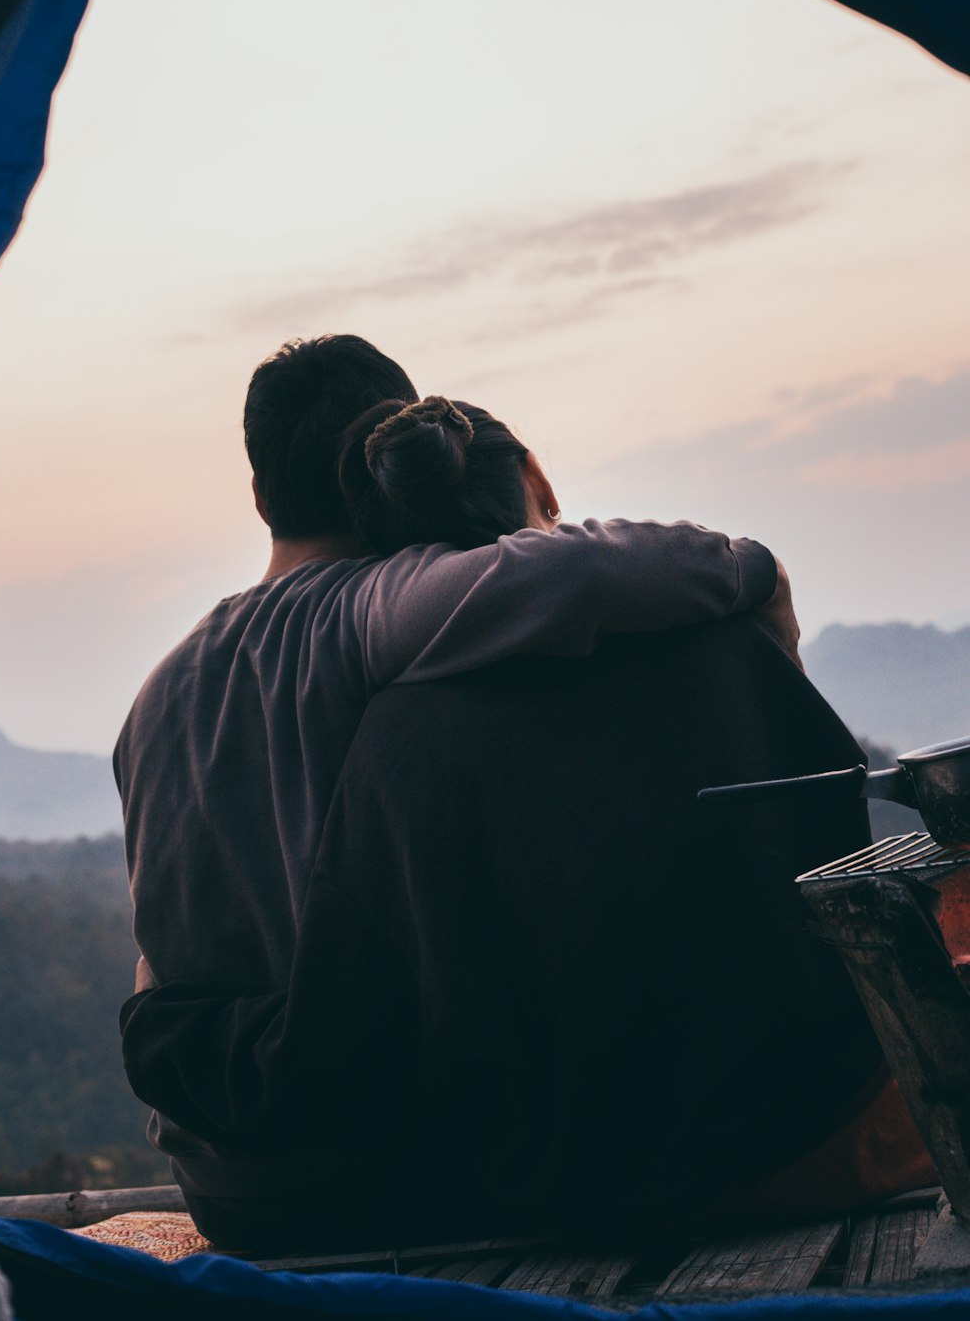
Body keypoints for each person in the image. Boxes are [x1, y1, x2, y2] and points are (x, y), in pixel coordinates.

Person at [121, 375, 932, 1255]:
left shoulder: (158, 690)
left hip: (228, 1182)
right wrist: (759, 576)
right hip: (394, 1175)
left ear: (257, 492)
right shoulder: (383, 621)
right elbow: (580, 570)